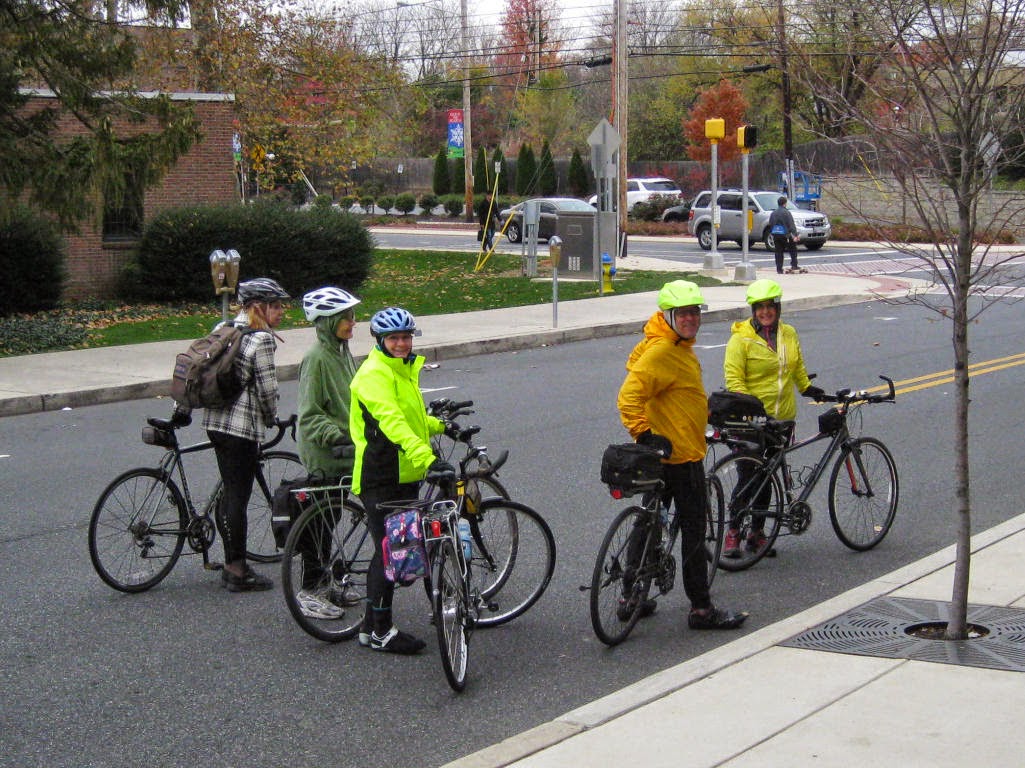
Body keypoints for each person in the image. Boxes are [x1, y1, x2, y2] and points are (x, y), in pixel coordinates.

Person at [617, 280, 748, 631]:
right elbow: (628, 397)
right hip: (679, 457)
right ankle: (701, 609)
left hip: (670, 452)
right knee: (694, 530)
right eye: (684, 313)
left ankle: (631, 596)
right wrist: (645, 434)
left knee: (648, 523)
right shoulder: (663, 351)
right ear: (667, 316)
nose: (691, 318)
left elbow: (678, 397)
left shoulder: (674, 345)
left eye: (695, 312)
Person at [349, 307, 455, 654]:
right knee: (388, 553)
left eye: (406, 337)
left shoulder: (402, 369)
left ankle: (370, 627)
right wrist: (429, 459)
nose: (401, 344)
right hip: (382, 475)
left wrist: (441, 427)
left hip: (404, 472)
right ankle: (381, 631)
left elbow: (411, 417)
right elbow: (392, 423)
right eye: (393, 338)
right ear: (380, 341)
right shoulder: (373, 375)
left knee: (394, 551)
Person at [186, 277, 289, 592]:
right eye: (275, 306)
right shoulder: (261, 340)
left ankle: (233, 558)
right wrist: (272, 418)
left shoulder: (225, 328)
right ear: (258, 307)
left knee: (231, 491)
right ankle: (237, 569)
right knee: (237, 498)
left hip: (215, 422)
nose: (282, 311)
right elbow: (267, 390)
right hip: (241, 430)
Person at [722, 279, 824, 558]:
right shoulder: (740, 339)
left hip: (782, 418)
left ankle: (756, 533)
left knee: (768, 477)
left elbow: (796, 366)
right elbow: (734, 381)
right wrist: (754, 412)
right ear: (753, 310)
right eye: (760, 307)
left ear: (778, 308)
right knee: (748, 477)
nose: (765, 311)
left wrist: (807, 388)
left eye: (770, 306)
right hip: (750, 422)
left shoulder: (788, 333)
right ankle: (733, 532)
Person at [295, 285, 362, 619]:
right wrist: (336, 436)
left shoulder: (341, 351)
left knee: (331, 519)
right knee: (320, 524)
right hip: (327, 453)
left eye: (352, 315)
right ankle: (310, 590)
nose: (353, 322)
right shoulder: (316, 359)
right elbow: (309, 416)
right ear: (327, 321)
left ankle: (326, 582)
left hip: (347, 450)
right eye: (345, 317)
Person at [768, 195, 803, 274]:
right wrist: (795, 235)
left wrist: (773, 233)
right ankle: (794, 265)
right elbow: (791, 225)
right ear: (785, 203)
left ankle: (779, 269)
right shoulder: (787, 213)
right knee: (792, 249)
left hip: (776, 234)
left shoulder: (773, 213)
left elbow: (770, 224)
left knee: (778, 252)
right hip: (785, 235)